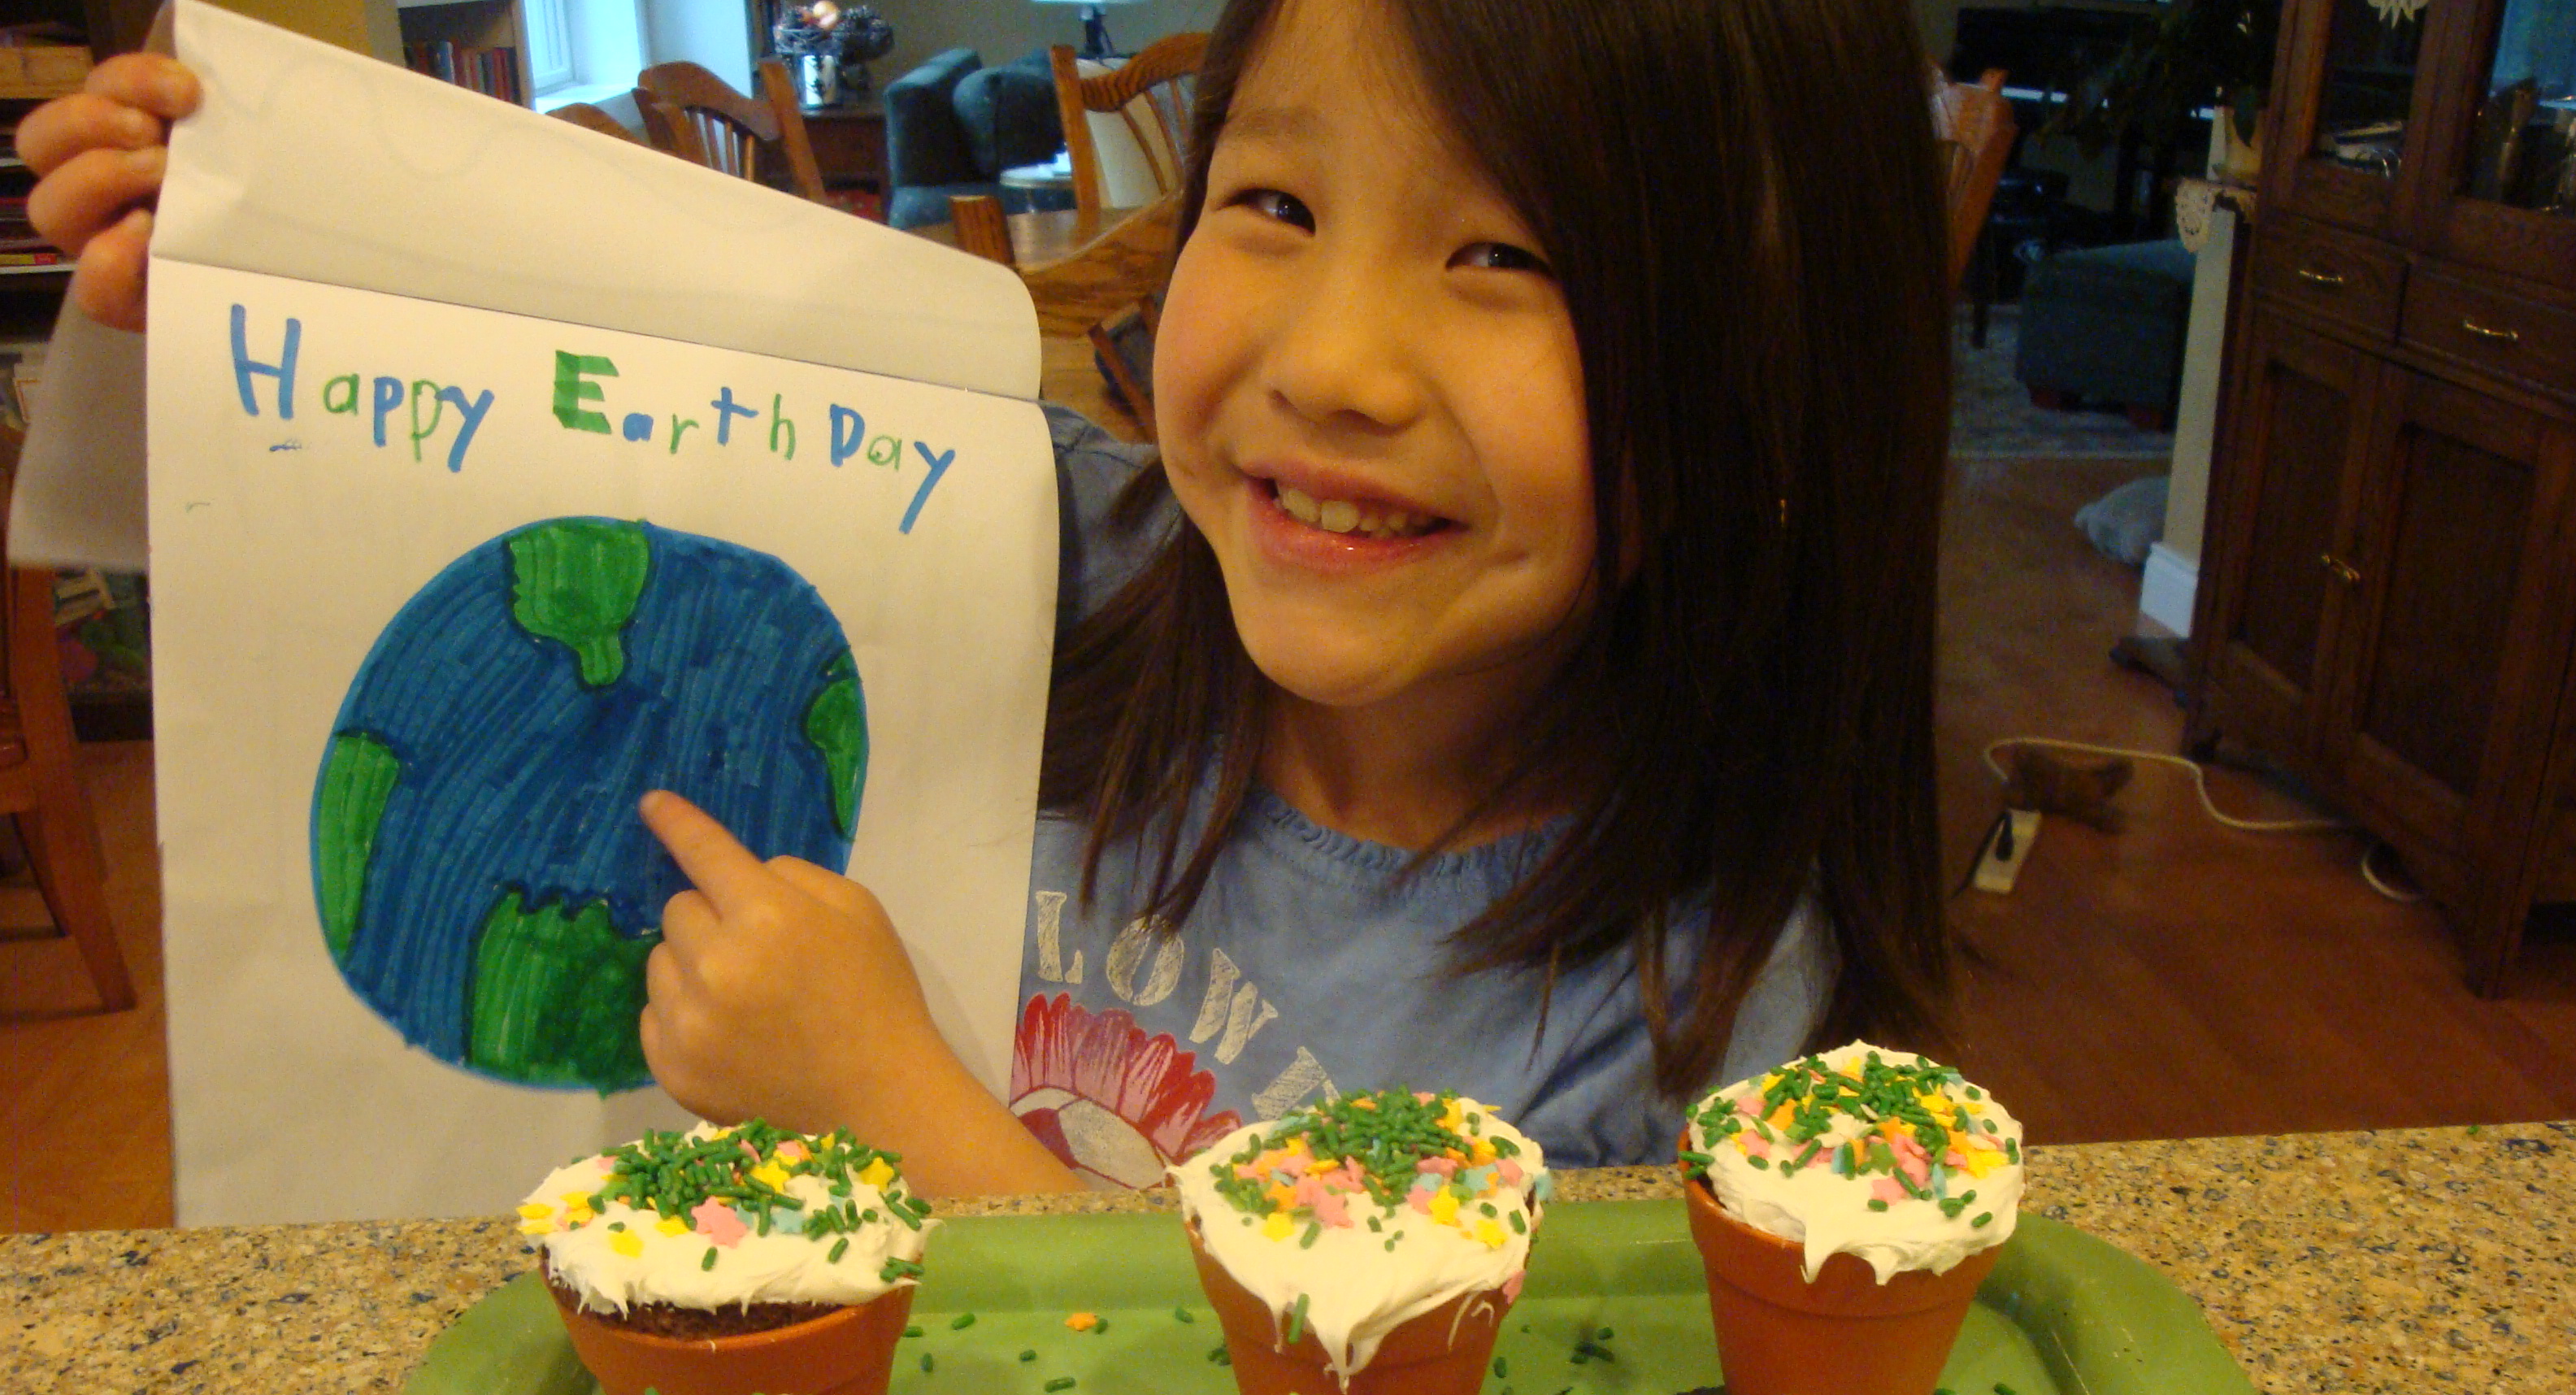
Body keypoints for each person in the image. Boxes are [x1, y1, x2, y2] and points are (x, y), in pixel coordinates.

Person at [26, 0, 1954, 1197]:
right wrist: (222, 293)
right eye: (1273, 207)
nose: (1339, 362)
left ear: (1771, 392)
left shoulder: (1692, 997)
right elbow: (512, 469)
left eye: (1507, 253)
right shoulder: (1031, 539)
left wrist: (901, 1114)